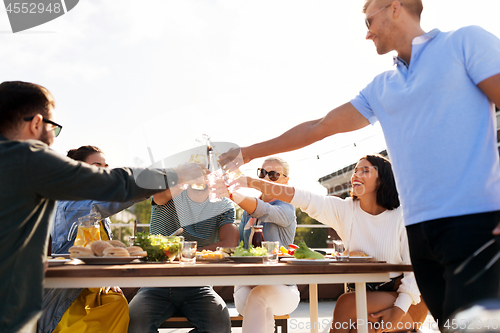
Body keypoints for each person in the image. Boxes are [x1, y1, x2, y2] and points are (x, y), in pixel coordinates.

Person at [221, 0, 500, 326]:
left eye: (369, 21)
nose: (367, 34)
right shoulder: (382, 87)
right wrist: (247, 152)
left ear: (394, 7)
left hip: (473, 222)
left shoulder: (465, 43)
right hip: (420, 235)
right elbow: (318, 127)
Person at [0, 81, 203, 333]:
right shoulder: (27, 157)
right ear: (36, 123)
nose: (52, 138)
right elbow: (116, 184)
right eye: (54, 128)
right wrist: (175, 173)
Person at [234, 155, 427, 333]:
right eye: (355, 171)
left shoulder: (402, 217)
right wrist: (249, 183)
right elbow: (302, 197)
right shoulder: (345, 210)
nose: (356, 175)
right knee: (357, 325)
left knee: (347, 304)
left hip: (407, 299)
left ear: (382, 179)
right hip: (364, 296)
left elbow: (416, 271)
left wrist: (399, 310)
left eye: (365, 171)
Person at [38, 145, 139, 333]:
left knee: (118, 303)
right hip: (69, 291)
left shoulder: (96, 203)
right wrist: (156, 181)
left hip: (94, 286)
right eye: (97, 166)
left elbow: (99, 250)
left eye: (106, 166)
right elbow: (118, 198)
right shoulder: (70, 202)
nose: (105, 172)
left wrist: (107, 276)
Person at [128, 180, 238, 333]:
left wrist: (186, 252)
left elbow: (230, 243)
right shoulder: (170, 193)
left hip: (198, 285)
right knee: (136, 324)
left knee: (219, 326)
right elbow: (159, 196)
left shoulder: (223, 204)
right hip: (156, 283)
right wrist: (184, 178)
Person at [228, 156, 300, 333]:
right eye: (263, 172)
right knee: (258, 299)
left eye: (274, 175)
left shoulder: (287, 208)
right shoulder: (247, 211)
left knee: (260, 296)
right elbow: (241, 249)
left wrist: (232, 193)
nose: (267, 178)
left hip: (282, 286)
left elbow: (265, 210)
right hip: (247, 284)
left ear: (285, 180)